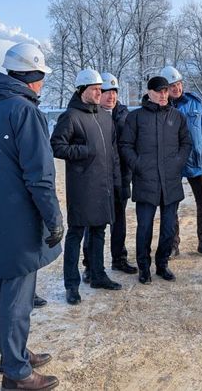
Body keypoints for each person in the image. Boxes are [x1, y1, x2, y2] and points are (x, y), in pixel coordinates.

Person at [0, 42, 62, 390]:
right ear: (33, 76)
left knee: (1, 285)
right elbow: (39, 174)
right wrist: (53, 218)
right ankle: (17, 372)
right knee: (17, 293)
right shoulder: (24, 111)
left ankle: (12, 353)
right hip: (20, 215)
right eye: (41, 77)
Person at [51, 69, 122, 305]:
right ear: (82, 90)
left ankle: (97, 273)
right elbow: (57, 146)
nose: (99, 93)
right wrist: (83, 151)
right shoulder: (71, 116)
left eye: (100, 89)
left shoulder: (104, 116)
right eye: (95, 89)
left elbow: (112, 152)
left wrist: (115, 179)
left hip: (103, 184)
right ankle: (71, 284)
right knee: (76, 234)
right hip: (81, 185)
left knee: (99, 231)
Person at [119, 76, 192, 284]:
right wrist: (139, 165)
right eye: (158, 91)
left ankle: (162, 264)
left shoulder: (177, 117)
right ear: (149, 92)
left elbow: (186, 144)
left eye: (165, 91)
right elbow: (126, 146)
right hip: (146, 180)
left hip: (170, 181)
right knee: (145, 227)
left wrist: (178, 163)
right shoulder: (136, 117)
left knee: (168, 227)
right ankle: (144, 267)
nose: (163, 95)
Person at [160, 66, 202, 258]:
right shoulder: (162, 107)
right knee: (171, 205)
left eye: (178, 84)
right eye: (171, 86)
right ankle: (173, 244)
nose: (176, 88)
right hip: (173, 163)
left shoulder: (195, 104)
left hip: (197, 162)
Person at [99, 72, 138, 275]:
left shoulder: (125, 115)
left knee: (119, 221)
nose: (111, 97)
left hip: (121, 177)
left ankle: (119, 258)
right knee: (95, 224)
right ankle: (91, 264)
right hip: (97, 180)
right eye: (106, 92)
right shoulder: (92, 115)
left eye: (114, 92)